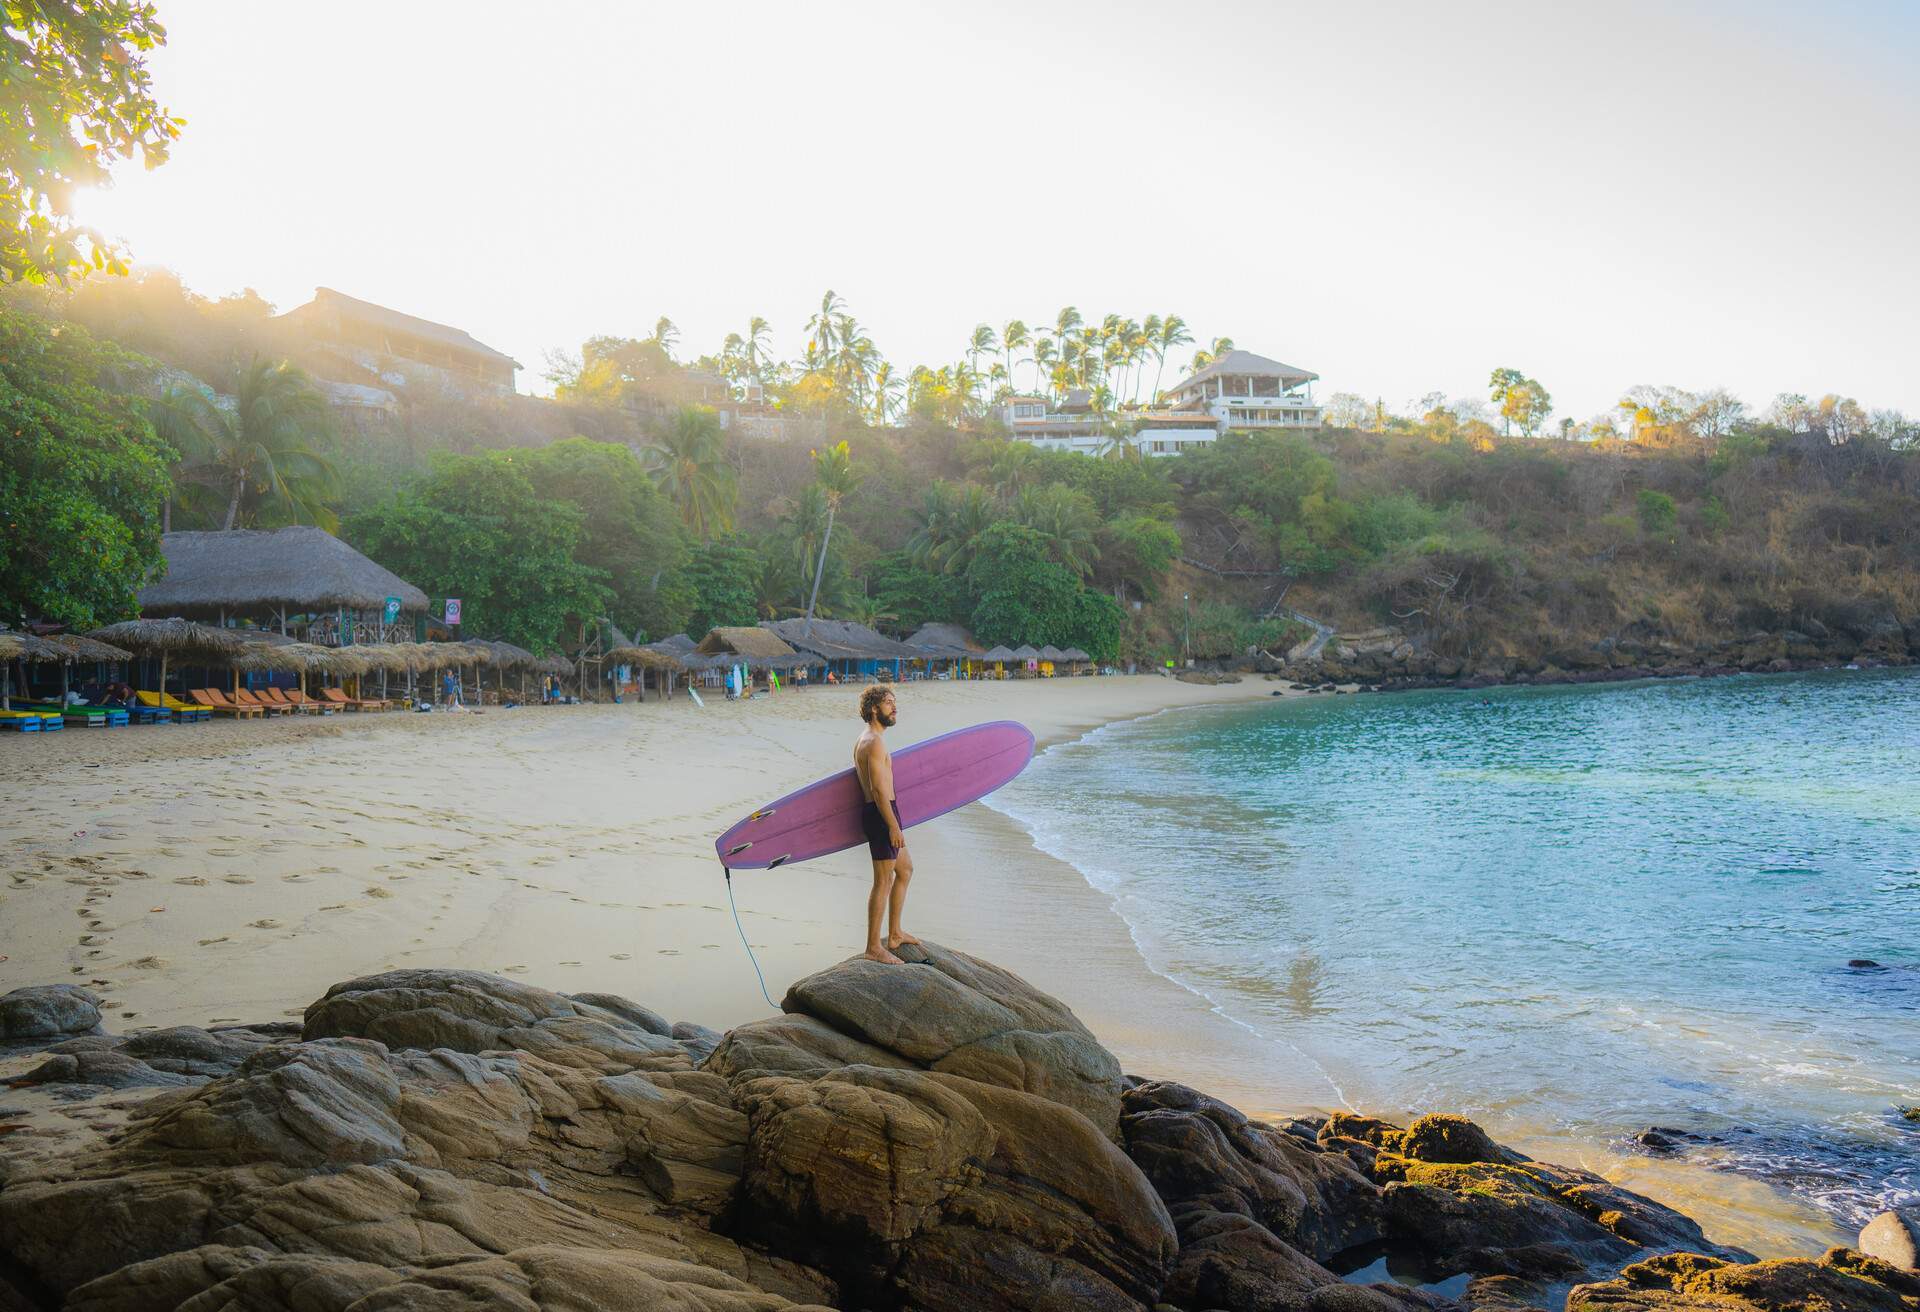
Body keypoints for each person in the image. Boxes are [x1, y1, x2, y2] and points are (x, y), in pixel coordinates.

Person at [853, 685, 918, 965]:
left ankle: (894, 934)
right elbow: (879, 790)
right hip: (882, 815)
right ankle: (872, 947)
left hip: (886, 813)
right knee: (883, 881)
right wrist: (892, 826)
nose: (894, 707)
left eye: (895, 702)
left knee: (904, 870)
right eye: (889, 703)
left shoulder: (869, 739)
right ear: (874, 708)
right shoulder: (873, 742)